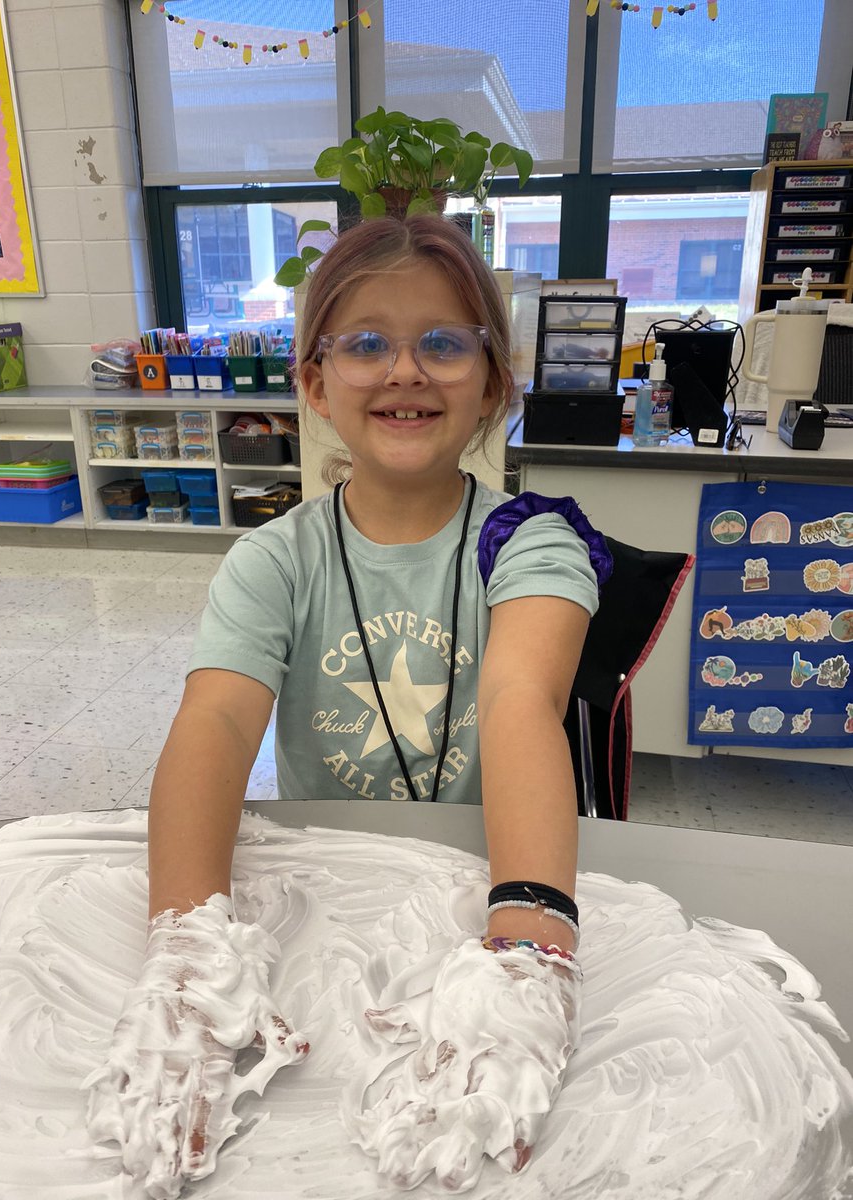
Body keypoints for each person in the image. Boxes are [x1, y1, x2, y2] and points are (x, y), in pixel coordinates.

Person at [85, 215, 609, 1198]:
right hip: (331, 888)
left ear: (493, 382)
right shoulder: (274, 559)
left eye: (445, 343)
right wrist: (188, 944)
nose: (404, 369)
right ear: (317, 383)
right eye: (365, 343)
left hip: (482, 877)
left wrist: (531, 950)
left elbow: (517, 704)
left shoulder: (535, 542)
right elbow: (217, 724)